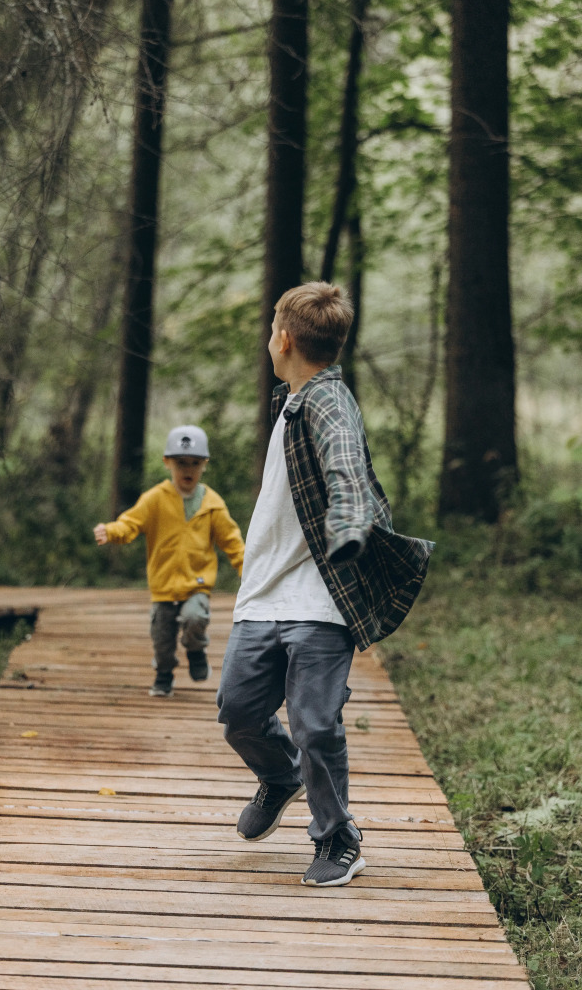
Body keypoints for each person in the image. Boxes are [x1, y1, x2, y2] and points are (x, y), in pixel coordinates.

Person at [217, 282, 433, 887]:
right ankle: (281, 775)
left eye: (271, 329)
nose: (269, 339)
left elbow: (345, 464)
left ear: (284, 339)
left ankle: (339, 837)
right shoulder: (290, 401)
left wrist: (349, 523)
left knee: (314, 722)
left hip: (321, 596)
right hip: (265, 592)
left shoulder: (329, 399)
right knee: (238, 711)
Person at [94, 425, 245, 698]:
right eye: (181, 463)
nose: (188, 470)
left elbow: (232, 541)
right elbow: (130, 523)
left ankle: (196, 650)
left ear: (204, 464)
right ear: (167, 463)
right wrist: (111, 531)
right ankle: (164, 674)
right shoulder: (155, 499)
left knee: (195, 617)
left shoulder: (212, 504)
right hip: (163, 584)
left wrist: (247, 570)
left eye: (195, 463)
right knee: (162, 638)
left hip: (196, 582)